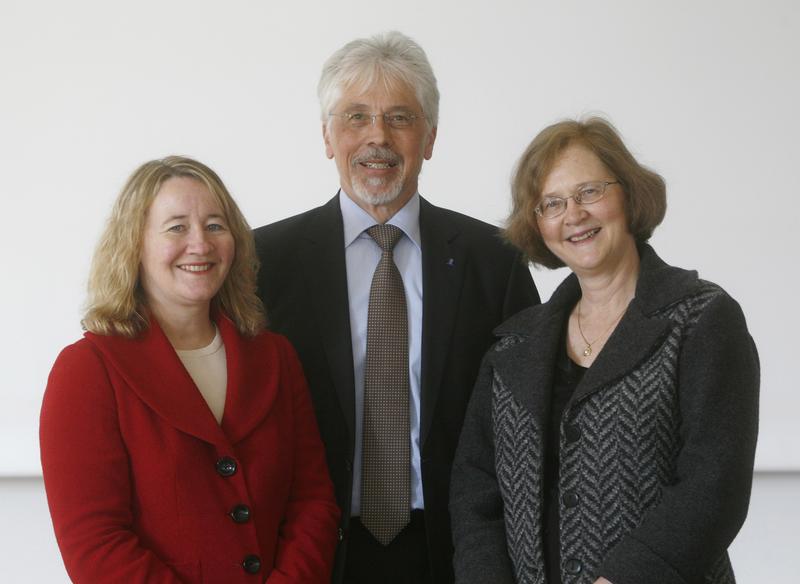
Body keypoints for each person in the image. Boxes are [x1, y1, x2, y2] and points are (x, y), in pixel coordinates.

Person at [254, 32, 539, 584]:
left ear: (429, 138)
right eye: (356, 117)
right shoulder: (263, 263)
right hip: (308, 555)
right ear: (327, 137)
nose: (377, 138)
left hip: (458, 554)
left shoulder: (493, 260)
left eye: (400, 118)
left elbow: (524, 425)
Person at [450, 117, 759, 584]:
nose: (573, 214)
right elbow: (476, 491)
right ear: (537, 226)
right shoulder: (512, 347)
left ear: (629, 194)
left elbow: (713, 486)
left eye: (589, 192)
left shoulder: (702, 320)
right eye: (551, 204)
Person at [40, 156, 340, 583]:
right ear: (134, 244)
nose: (200, 244)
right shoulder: (87, 371)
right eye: (177, 227)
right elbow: (96, 544)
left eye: (216, 225)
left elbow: (312, 503)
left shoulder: (276, 357)